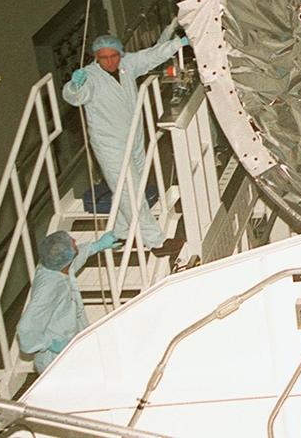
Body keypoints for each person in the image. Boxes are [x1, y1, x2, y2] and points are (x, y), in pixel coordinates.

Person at [63, 34, 188, 256]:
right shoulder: (90, 78)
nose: (110, 61)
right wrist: (73, 85)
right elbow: (75, 97)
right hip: (110, 145)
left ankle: (121, 232)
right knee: (131, 191)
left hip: (134, 137)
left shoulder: (127, 64)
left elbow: (150, 57)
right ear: (96, 57)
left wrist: (179, 43)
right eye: (104, 58)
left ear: (120, 54)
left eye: (114, 56)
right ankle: (156, 242)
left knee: (131, 187)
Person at [17, 230, 119, 372]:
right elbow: (26, 329)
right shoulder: (48, 289)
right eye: (72, 242)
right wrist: (51, 343)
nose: (74, 240)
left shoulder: (57, 267)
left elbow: (74, 260)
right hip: (56, 358)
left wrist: (98, 246)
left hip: (71, 343)